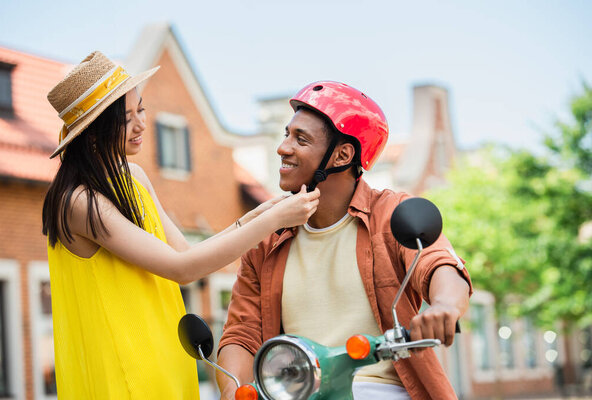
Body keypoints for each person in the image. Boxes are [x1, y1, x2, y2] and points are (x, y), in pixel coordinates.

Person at [41, 51, 320, 399]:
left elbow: (186, 251)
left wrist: (256, 216)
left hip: (164, 355)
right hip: (122, 367)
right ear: (94, 132)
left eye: (140, 109)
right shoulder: (80, 202)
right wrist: (273, 221)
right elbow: (182, 269)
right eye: (126, 118)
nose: (141, 124)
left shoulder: (135, 178)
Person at [217, 81, 473, 399]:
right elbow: (241, 333)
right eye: (286, 135)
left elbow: (438, 263)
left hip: (381, 389)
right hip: (299, 392)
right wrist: (234, 390)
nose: (283, 147)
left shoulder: (391, 213)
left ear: (342, 154)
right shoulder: (266, 237)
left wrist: (445, 306)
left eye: (301, 139)